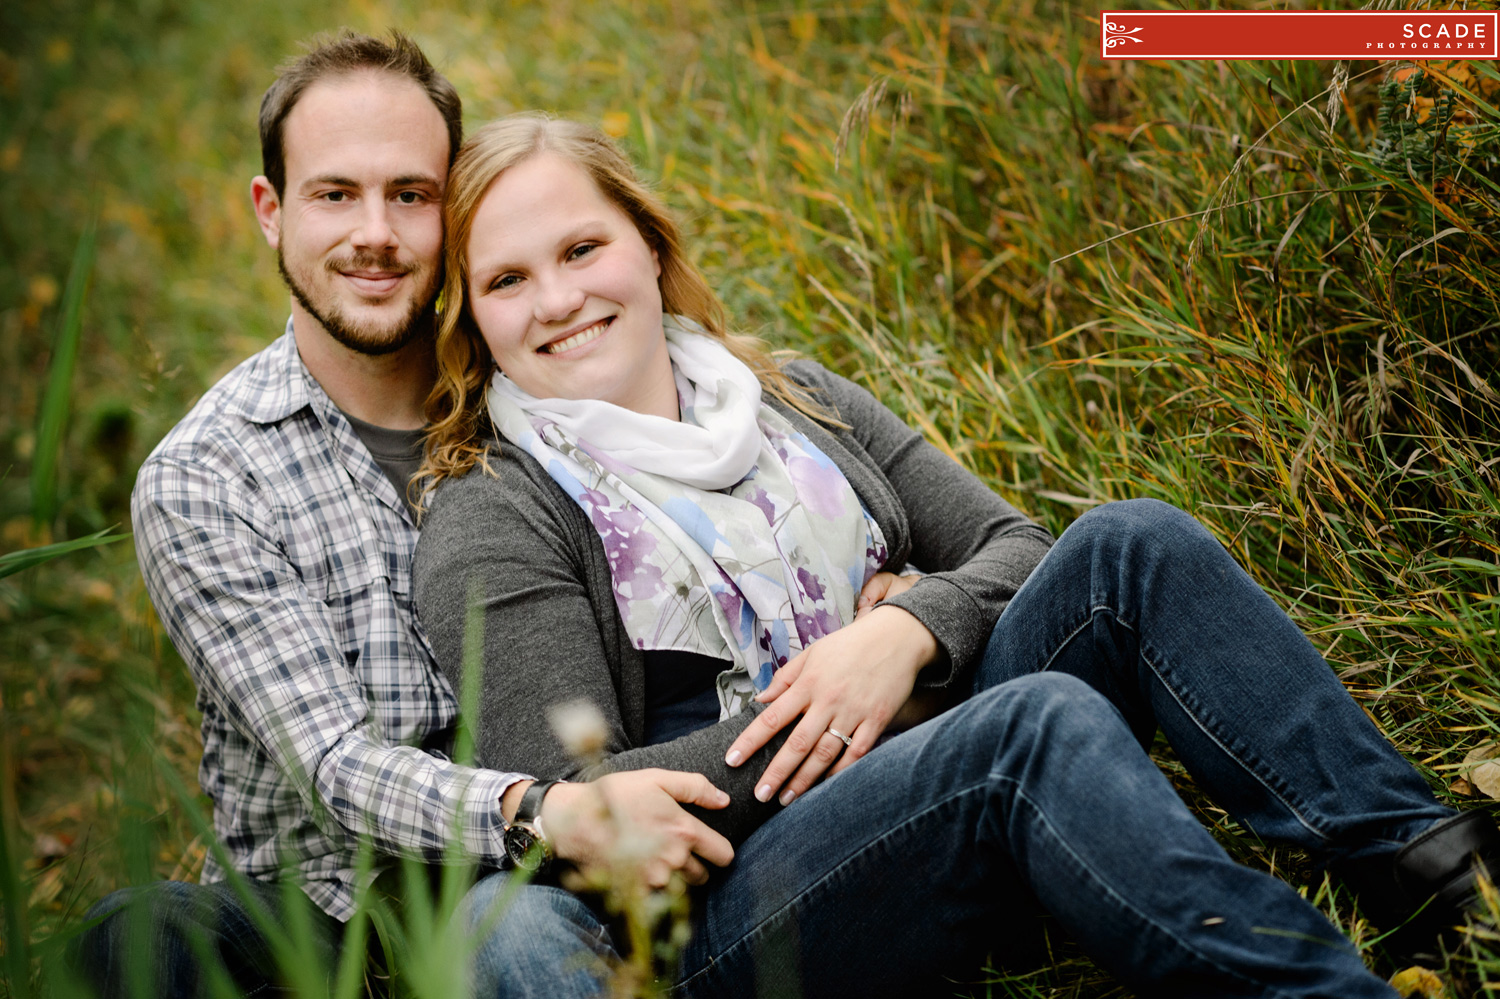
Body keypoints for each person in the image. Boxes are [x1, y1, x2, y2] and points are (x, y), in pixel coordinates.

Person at [411, 111, 1500, 998]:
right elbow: (566, 803)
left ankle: (1445, 877)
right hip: (742, 907)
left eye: (581, 248)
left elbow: (1014, 545)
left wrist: (911, 628)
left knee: (1133, 543)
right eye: (506, 281)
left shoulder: (790, 396)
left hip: (922, 772)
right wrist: (895, 697)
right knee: (1027, 727)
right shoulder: (496, 504)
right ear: (471, 319)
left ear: (648, 246)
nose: (557, 299)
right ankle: (1313, 992)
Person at [70, 34, 714, 999]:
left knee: (515, 935)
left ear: (449, 213)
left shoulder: (548, 370)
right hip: (322, 916)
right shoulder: (206, 478)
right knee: (136, 941)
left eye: (410, 195)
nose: (376, 231)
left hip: (541, 889)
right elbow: (332, 762)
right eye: (335, 194)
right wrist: (540, 808)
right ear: (270, 210)